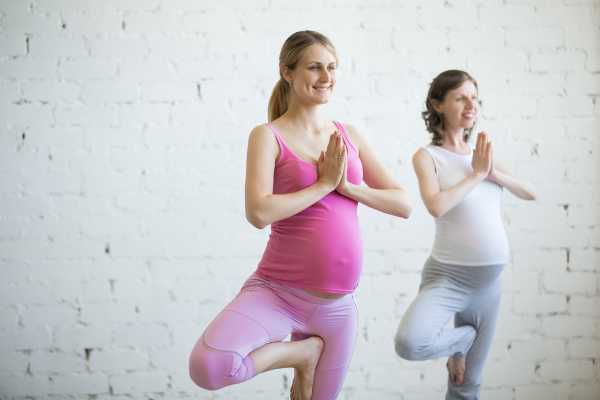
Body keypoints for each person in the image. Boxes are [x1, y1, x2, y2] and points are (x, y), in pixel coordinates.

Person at [189, 30, 411, 400]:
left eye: (332, 67)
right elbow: (258, 212)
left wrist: (349, 188)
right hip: (277, 293)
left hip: (338, 308)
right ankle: (302, 354)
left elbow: (403, 204)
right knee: (208, 367)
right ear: (287, 72)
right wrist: (323, 186)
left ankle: (309, 356)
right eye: (314, 67)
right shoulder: (267, 136)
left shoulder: (348, 134)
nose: (326, 77)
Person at [394, 70, 536, 399]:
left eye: (474, 97)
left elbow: (530, 193)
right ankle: (461, 341)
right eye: (460, 97)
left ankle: (461, 350)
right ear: (438, 104)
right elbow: (437, 205)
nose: (470, 104)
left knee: (466, 384)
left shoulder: (482, 157)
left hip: (490, 281)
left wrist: (493, 172)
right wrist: (477, 175)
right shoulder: (428, 157)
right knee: (410, 342)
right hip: (449, 277)